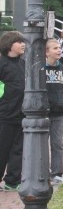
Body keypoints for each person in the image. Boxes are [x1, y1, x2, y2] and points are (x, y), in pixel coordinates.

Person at [0, 31, 26, 191]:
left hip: (21, 114)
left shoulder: (23, 64)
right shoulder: (2, 64)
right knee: (2, 148)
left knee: (18, 149)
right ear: (9, 45)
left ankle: (13, 180)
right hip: (4, 115)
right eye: (19, 42)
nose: (23, 44)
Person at [44, 38, 63, 185]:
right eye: (55, 48)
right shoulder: (41, 69)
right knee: (41, 144)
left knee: (57, 144)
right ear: (47, 52)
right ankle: (43, 172)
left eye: (59, 48)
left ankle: (57, 173)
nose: (59, 50)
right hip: (44, 112)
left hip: (59, 113)